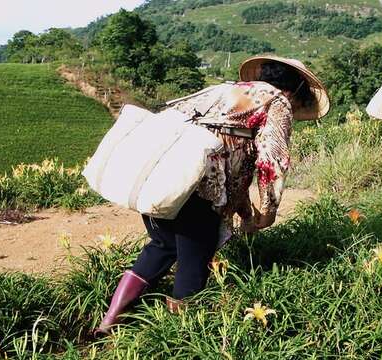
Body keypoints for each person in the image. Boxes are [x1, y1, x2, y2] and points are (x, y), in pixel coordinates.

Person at [93, 55, 330, 336]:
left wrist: (243, 207)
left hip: (161, 178)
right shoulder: (276, 101)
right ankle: (179, 338)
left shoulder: (222, 90)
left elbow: (233, 153)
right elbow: (271, 159)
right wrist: (268, 211)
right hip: (201, 188)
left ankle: (110, 320)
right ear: (295, 90)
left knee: (163, 244)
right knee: (195, 259)